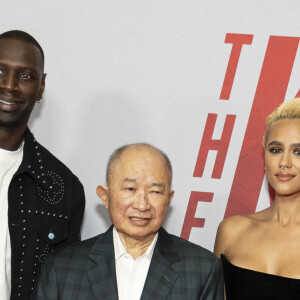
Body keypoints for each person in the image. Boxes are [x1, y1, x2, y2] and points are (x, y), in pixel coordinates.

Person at [32, 143, 224, 300]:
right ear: (105, 196)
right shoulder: (64, 266)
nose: (142, 205)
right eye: (130, 189)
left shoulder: (201, 269)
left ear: (168, 199)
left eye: (155, 192)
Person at [0, 30, 85, 300]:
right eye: (0, 71)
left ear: (41, 88)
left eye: (25, 76)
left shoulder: (63, 187)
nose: (10, 85)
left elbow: (66, 287)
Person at [214, 98, 300, 299]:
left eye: (298, 151)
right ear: (264, 158)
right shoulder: (232, 231)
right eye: (276, 150)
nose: (284, 162)